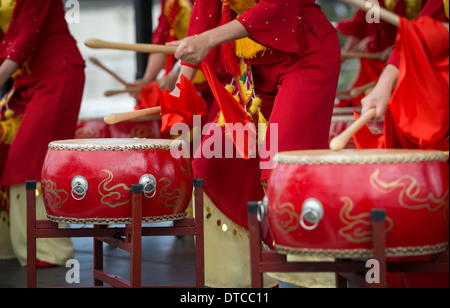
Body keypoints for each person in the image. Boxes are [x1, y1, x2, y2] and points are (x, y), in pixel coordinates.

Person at [167, 0, 341, 288]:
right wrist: (182, 82)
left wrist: (207, 40)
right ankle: (238, 282)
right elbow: (207, 7)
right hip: (253, 66)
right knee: (214, 164)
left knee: (282, 166)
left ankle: (315, 279)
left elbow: (278, 6)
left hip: (304, 53)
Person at [0, 0, 85, 267]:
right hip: (25, 79)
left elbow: (24, 39)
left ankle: (46, 250)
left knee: (28, 159)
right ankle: (8, 243)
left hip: (56, 72)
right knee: (3, 147)